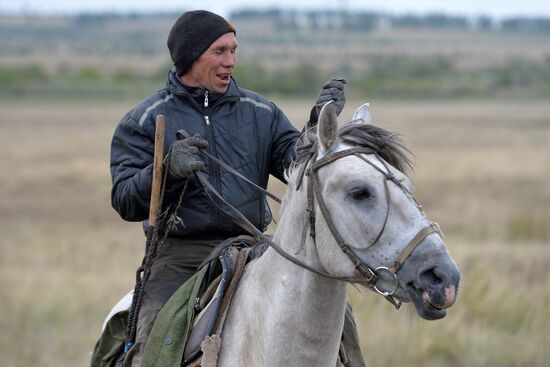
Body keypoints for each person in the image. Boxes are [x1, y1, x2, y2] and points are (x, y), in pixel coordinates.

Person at [109, 9, 363, 367]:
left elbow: (298, 166)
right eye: (219, 51)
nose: (230, 61)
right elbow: (123, 200)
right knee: (152, 346)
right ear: (189, 57)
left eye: (233, 50)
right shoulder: (145, 120)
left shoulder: (261, 111)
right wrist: (166, 171)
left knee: (339, 326)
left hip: (256, 247)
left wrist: (315, 125)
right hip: (181, 257)